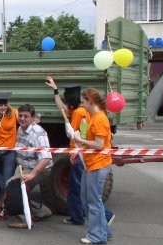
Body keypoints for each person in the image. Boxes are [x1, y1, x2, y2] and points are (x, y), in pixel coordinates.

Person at [46, 77, 114, 226]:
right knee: (79, 188)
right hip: (80, 151)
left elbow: (80, 133)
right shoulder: (78, 110)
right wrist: (55, 90)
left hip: (80, 152)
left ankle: (91, 217)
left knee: (79, 188)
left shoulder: (79, 112)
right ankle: (78, 216)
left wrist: (74, 137)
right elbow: (62, 107)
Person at [72, 88, 113, 245]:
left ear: (91, 101)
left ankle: (97, 235)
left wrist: (80, 142)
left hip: (98, 163)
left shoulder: (99, 118)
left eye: (83, 102)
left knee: (93, 200)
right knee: (88, 198)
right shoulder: (95, 117)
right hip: (92, 163)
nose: (81, 105)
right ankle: (102, 231)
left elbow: (99, 144)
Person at [7, 104, 53, 229]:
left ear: (32, 118)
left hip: (41, 169)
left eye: (25, 116)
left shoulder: (38, 133)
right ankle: (41, 211)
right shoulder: (21, 129)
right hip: (26, 167)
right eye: (20, 116)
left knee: (15, 186)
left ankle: (24, 219)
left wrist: (32, 174)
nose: (22, 118)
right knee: (16, 186)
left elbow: (45, 157)